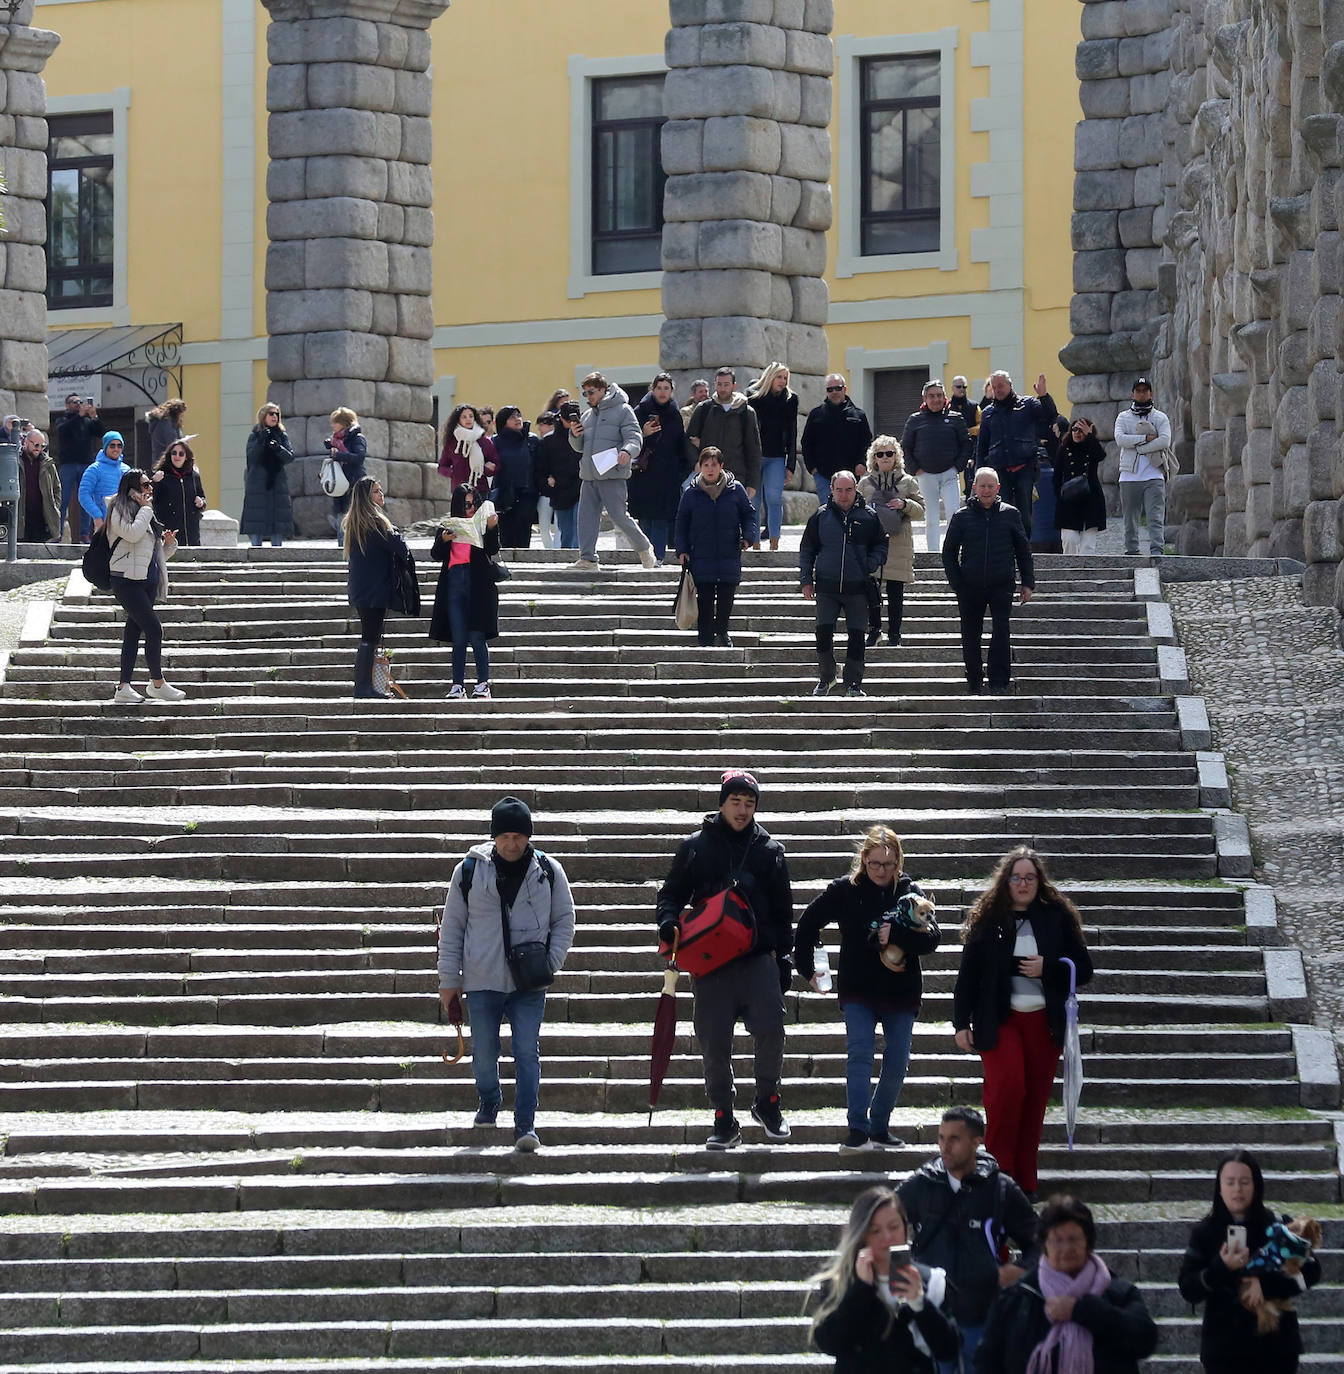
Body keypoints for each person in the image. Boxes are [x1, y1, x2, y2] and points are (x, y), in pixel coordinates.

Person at [655, 769, 794, 1148]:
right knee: (713, 1042)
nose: (743, 810)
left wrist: (785, 958)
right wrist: (668, 922)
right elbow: (670, 894)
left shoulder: (770, 850)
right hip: (710, 961)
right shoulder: (696, 846)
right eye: (736, 802)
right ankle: (724, 1117)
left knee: (771, 1028)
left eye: (750, 804)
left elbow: (784, 914)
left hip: (757, 957)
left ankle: (767, 1101)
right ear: (722, 803)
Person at [437, 795, 576, 1152]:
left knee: (527, 1050)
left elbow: (565, 920)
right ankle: (490, 1099)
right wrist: (449, 980)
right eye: (505, 837)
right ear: (494, 837)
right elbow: (452, 927)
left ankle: (525, 1125)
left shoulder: (548, 870)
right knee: (484, 1052)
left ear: (528, 836)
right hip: (482, 978)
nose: (512, 844)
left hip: (529, 981)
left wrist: (551, 962)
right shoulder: (468, 870)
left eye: (519, 836)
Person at [952, 846, 1093, 1196]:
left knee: (1033, 1103)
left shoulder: (1056, 915)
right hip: (999, 1021)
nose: (1024, 884)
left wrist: (1050, 968)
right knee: (1007, 1089)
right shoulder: (988, 917)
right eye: (1017, 877)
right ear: (1007, 880)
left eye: (1030, 878)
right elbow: (967, 974)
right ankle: (1000, 1174)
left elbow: (1084, 968)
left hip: (1044, 1024)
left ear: (1039, 881)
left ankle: (1025, 1183)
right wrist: (960, 1023)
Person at [793, 825, 939, 1152]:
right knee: (859, 1054)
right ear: (864, 859)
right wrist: (807, 970)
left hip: (901, 990)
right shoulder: (846, 889)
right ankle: (857, 1128)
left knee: (898, 1061)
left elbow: (933, 938)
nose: (881, 871)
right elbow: (807, 923)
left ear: (898, 862)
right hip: (858, 987)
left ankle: (880, 1125)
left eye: (888, 865)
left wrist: (898, 936)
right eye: (875, 864)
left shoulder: (910, 892)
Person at [897, 1106, 1039, 1374]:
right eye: (941, 1138)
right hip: (929, 1316)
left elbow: (1041, 1243)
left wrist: (1021, 1270)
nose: (944, 1146)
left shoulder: (1001, 1189)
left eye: (954, 1139)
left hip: (981, 1318)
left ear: (977, 1142)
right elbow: (880, 1222)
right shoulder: (921, 1184)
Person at [976, 1195, 1158, 1374]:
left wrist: (1084, 1310)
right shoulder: (1017, 1297)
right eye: (1057, 1240)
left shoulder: (1117, 1292)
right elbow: (987, 1361)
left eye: (1074, 1239)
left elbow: (1145, 1340)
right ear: (1044, 1246)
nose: (1066, 1248)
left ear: (1088, 1243)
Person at [1178, 1150, 1322, 1374]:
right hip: (1224, 1349)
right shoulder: (1204, 1233)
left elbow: (1313, 1270)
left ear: (1256, 1185)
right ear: (1220, 1187)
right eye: (1230, 1182)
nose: (1237, 1189)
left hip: (1276, 1348)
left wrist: (1266, 1286)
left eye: (1244, 1182)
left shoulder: (1279, 1226)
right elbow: (1188, 1288)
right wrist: (1221, 1268)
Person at [810, 1186, 959, 1374]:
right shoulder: (839, 1281)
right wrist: (861, 1289)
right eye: (875, 1231)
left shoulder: (932, 1280)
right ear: (862, 1235)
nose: (887, 1237)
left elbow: (948, 1350)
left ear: (905, 1229)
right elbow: (829, 1343)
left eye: (894, 1227)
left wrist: (919, 1303)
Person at [942, 468, 1034, 696]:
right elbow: (949, 552)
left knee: (1001, 631)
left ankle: (999, 680)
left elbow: (1023, 551)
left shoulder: (1011, 514)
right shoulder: (961, 516)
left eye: (990, 486)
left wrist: (1027, 583)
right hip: (969, 586)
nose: (986, 490)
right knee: (970, 634)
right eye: (982, 486)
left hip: (1001, 583)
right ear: (974, 488)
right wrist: (957, 583)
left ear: (998, 489)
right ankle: (974, 679)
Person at [799, 470, 888, 698]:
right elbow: (807, 549)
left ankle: (853, 684)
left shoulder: (868, 517)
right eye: (839, 489)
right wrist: (806, 580)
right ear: (831, 490)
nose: (844, 494)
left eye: (848, 489)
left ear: (856, 489)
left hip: (857, 588)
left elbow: (881, 544)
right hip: (826, 588)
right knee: (823, 635)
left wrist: (872, 562)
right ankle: (827, 678)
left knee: (857, 637)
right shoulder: (820, 516)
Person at [104, 468, 184, 705]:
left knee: (133, 633)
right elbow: (131, 534)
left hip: (147, 581)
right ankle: (157, 683)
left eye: (150, 484)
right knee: (154, 628)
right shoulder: (117, 509)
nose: (150, 489)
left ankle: (123, 687)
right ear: (132, 490)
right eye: (145, 485)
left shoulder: (145, 513)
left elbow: (152, 554)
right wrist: (147, 510)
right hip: (125, 580)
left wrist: (169, 545)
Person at [567, 371, 658, 571]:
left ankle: (644, 548)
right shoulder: (588, 415)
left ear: (602, 390)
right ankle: (588, 559)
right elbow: (579, 446)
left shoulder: (623, 410)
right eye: (585, 393)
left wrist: (627, 451)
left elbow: (634, 437)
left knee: (619, 516)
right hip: (589, 474)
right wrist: (574, 435)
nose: (588, 397)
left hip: (612, 472)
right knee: (586, 517)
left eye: (591, 392)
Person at [674, 446, 755, 647]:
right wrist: (682, 549)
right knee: (705, 598)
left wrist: (748, 537)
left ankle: (723, 632)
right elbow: (681, 522)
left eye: (714, 465)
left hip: (729, 552)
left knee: (727, 597)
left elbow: (749, 514)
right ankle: (705, 635)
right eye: (706, 465)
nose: (710, 469)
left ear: (721, 466)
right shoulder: (691, 493)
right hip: (700, 553)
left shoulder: (735, 490)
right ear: (700, 467)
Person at [429, 483, 500, 701]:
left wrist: (491, 528)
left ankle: (482, 684)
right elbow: (435, 554)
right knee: (458, 637)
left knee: (477, 635)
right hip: (454, 582)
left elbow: (492, 549)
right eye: (466, 504)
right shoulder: (447, 527)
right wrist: (444, 540)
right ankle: (457, 685)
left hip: (477, 583)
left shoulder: (481, 523)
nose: (470, 508)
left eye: (473, 504)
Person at [343, 475, 411, 700]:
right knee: (369, 637)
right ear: (366, 497)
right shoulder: (376, 522)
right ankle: (363, 686)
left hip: (361, 589)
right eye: (376, 491)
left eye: (380, 490)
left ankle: (365, 685)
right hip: (374, 589)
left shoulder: (354, 522)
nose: (381, 495)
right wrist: (397, 532)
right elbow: (401, 548)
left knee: (368, 635)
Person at [858, 439, 925, 648]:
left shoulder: (908, 481)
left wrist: (904, 504)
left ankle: (895, 635)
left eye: (889, 453)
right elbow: (855, 510)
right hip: (872, 543)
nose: (885, 458)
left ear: (896, 456)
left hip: (899, 542)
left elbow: (921, 510)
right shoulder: (864, 483)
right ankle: (874, 630)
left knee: (896, 593)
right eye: (880, 454)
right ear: (873, 458)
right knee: (871, 592)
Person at [976, 372, 1058, 538]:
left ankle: (1024, 549)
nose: (998, 390)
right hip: (999, 469)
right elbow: (982, 445)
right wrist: (979, 474)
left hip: (1025, 468)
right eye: (995, 387)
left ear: (1010, 385)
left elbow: (1050, 416)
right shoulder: (988, 412)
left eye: (1001, 386)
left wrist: (1044, 396)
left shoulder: (1027, 404)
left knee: (1024, 514)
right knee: (1002, 512)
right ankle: (1006, 549)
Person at [686, 367, 763, 539]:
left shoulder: (746, 412)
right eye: (719, 384)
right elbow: (689, 439)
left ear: (734, 385)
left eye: (726, 384)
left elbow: (754, 450)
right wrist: (695, 462)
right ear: (715, 385)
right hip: (708, 475)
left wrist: (753, 483)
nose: (722, 388)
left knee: (732, 522)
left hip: (737, 475)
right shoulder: (704, 409)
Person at [901, 380, 971, 553]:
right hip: (925, 476)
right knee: (931, 517)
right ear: (925, 398)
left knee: (954, 514)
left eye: (939, 395)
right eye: (932, 396)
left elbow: (967, 444)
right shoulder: (915, 420)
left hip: (949, 474)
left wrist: (957, 467)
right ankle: (933, 552)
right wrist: (916, 470)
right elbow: (906, 446)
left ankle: (953, 551)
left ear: (944, 397)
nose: (936, 399)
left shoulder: (956, 418)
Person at [631, 372, 692, 562]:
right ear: (652, 389)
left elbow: (680, 445)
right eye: (659, 388)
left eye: (666, 388)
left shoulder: (674, 414)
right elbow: (627, 439)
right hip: (644, 474)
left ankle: (658, 558)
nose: (662, 392)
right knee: (645, 520)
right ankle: (645, 557)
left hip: (667, 475)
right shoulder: (639, 412)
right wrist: (643, 433)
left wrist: (680, 474)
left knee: (661, 519)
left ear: (672, 391)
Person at [1114, 377, 1172, 557]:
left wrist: (1138, 448)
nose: (1142, 394)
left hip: (1153, 473)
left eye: (1145, 390)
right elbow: (1120, 439)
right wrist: (1145, 440)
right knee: (1130, 518)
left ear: (1151, 393)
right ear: (1133, 394)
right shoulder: (1123, 417)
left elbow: (1164, 440)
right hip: (1129, 475)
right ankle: (1131, 550)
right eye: (1138, 390)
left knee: (1155, 516)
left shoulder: (1160, 417)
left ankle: (1157, 551)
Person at [747, 362, 799, 551]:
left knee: (774, 498)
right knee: (754, 500)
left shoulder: (790, 399)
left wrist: (791, 465)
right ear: (770, 377)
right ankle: (753, 541)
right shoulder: (752, 397)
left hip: (777, 456)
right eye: (779, 377)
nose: (783, 381)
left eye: (785, 378)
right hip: (754, 456)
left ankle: (774, 542)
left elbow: (792, 432)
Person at [801, 374, 873, 508]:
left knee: (851, 511)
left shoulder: (859, 415)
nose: (834, 392)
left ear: (845, 389)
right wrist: (812, 468)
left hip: (851, 475)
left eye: (838, 388)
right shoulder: (816, 414)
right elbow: (806, 442)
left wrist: (862, 462)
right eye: (830, 389)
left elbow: (866, 442)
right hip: (823, 475)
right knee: (828, 512)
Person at [241, 403, 295, 548]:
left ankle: (277, 553)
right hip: (257, 485)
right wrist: (261, 441)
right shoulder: (255, 435)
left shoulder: (282, 435)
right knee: (256, 522)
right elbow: (251, 457)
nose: (274, 416)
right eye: (271, 413)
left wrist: (278, 448)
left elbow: (290, 457)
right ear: (263, 416)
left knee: (277, 523)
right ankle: (255, 552)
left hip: (277, 483)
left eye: (277, 414)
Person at [1052, 418, 1106, 556]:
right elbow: (1056, 475)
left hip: (1091, 499)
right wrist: (1060, 494)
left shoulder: (1091, 447)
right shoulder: (1064, 448)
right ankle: (1069, 572)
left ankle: (1086, 572)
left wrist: (1090, 436)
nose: (1077, 433)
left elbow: (1100, 455)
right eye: (1074, 429)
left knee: (1088, 545)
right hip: (1069, 500)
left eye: (1081, 430)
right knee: (1069, 539)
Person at [490, 405, 539, 549]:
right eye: (512, 417)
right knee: (506, 533)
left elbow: (539, 465)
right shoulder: (495, 442)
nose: (517, 419)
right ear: (504, 421)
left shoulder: (532, 440)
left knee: (524, 530)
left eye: (519, 415)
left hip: (527, 492)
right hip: (505, 493)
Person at [55, 394, 101, 542]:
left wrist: (94, 416)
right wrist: (80, 416)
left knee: (86, 499)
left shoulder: (87, 421)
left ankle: (85, 534)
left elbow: (101, 432)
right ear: (67, 405)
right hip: (67, 465)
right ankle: (58, 533)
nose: (78, 404)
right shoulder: (62, 420)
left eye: (79, 402)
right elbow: (63, 431)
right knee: (63, 500)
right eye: (74, 402)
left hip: (85, 464)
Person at [535, 403, 581, 549]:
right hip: (560, 491)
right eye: (569, 418)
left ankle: (579, 557)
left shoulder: (586, 436)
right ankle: (567, 558)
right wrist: (547, 482)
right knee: (565, 531)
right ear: (561, 418)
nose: (572, 422)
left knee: (578, 527)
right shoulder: (549, 441)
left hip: (581, 488)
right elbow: (540, 468)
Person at [150, 439, 207, 547]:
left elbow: (202, 497)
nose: (177, 456)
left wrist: (201, 503)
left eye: (181, 454)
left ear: (186, 457)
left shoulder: (194, 476)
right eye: (174, 453)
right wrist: (154, 482)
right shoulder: (161, 475)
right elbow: (152, 500)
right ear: (169, 455)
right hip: (169, 532)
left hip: (191, 533)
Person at [439, 403, 498, 504]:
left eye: (471, 416)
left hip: (480, 489)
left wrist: (486, 469)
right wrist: (453, 472)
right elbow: (442, 467)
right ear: (458, 420)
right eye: (464, 417)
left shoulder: (484, 441)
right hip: (459, 490)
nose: (468, 419)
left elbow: (496, 464)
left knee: (480, 519)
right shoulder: (452, 443)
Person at [326, 406, 368, 547]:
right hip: (340, 483)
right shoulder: (336, 439)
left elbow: (359, 457)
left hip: (353, 481)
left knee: (352, 515)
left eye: (335, 422)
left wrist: (338, 455)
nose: (332, 425)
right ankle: (341, 546)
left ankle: (351, 546)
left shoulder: (357, 438)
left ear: (344, 423)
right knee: (340, 513)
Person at [79, 432, 130, 535]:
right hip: (104, 523)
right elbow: (83, 495)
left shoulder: (127, 469)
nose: (116, 449)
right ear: (106, 447)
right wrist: (97, 516)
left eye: (119, 445)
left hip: (125, 522)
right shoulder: (94, 469)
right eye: (112, 445)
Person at [15, 429, 61, 544]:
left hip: (42, 519)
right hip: (20, 518)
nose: (39, 449)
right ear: (26, 442)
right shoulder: (16, 461)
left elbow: (57, 487)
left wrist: (54, 506)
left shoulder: (48, 464)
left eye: (42, 446)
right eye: (36, 445)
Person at [533, 411, 558, 549]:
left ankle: (550, 550)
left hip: (544, 492)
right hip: (561, 490)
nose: (539, 429)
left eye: (542, 425)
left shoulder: (543, 443)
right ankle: (559, 548)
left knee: (544, 525)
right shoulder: (564, 440)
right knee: (560, 525)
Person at [146, 398, 187, 463]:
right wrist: (184, 441)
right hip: (166, 462)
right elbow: (172, 443)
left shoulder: (166, 422)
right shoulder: (166, 423)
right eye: (181, 415)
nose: (181, 418)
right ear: (176, 413)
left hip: (160, 460)